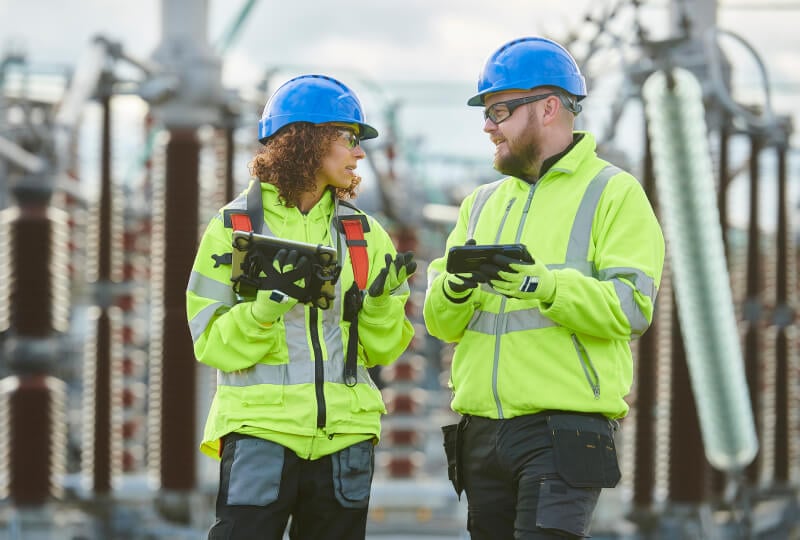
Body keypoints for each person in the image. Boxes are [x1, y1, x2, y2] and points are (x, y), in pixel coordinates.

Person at [423, 36, 665, 539]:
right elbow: (440, 323)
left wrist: (546, 285)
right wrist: (455, 288)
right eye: (487, 114)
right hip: (481, 432)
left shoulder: (613, 193)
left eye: (501, 110)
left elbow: (631, 306)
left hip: (564, 430)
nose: (489, 126)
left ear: (549, 107)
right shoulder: (480, 203)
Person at [186, 74, 416, 540]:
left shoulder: (365, 234)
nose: (359, 153)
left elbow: (384, 350)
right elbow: (209, 341)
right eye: (349, 138)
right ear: (306, 141)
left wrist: (377, 307)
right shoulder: (232, 227)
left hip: (346, 439)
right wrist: (264, 310)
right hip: (259, 433)